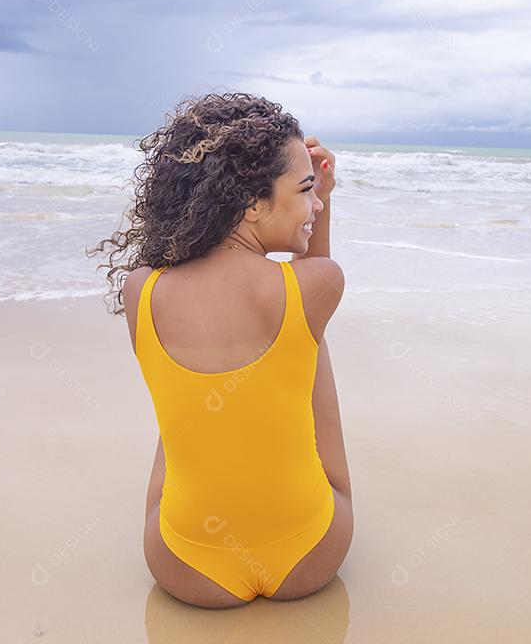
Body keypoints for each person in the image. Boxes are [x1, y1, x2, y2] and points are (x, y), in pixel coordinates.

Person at [92, 92, 353, 608]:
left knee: (187, 407)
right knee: (307, 339)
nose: (315, 204)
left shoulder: (140, 288)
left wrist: (305, 189)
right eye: (306, 191)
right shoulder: (316, 282)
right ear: (253, 203)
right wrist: (327, 203)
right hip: (312, 554)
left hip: (181, 565)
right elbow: (312, 293)